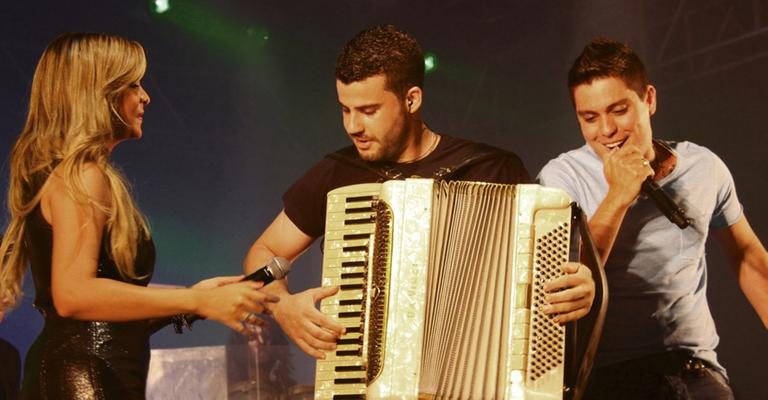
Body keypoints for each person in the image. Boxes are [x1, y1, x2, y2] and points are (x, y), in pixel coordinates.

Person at [243, 24, 595, 360]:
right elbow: (266, 250)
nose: (353, 126)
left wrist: (582, 284)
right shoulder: (338, 173)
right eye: (345, 110)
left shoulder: (490, 168)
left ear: (411, 100)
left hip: (479, 372)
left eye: (368, 111)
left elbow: (550, 276)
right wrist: (282, 305)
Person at [0, 33, 279, 399]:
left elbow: (102, 309)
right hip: (84, 379)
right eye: (132, 84)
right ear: (99, 93)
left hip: (89, 372)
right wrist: (192, 302)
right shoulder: (82, 175)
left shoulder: (73, 175)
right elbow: (73, 294)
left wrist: (193, 297)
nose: (145, 95)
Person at [538, 37, 768, 399]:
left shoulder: (704, 166)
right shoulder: (561, 178)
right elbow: (566, 279)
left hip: (694, 371)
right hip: (606, 377)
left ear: (648, 99)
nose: (607, 130)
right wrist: (618, 195)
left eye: (618, 110)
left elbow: (747, 258)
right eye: (590, 117)